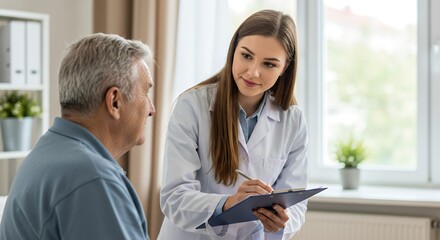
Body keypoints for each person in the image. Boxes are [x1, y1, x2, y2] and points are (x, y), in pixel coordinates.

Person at [158, 9, 308, 240]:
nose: (253, 72)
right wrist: (228, 203)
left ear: (284, 67)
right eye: (246, 56)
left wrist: (280, 223)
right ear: (233, 50)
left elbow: (295, 205)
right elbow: (174, 198)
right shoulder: (191, 106)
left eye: (269, 64)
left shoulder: (293, 120)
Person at [0, 33, 155, 240]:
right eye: (146, 93)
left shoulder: (47, 152)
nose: (151, 109)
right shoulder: (92, 177)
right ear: (115, 102)